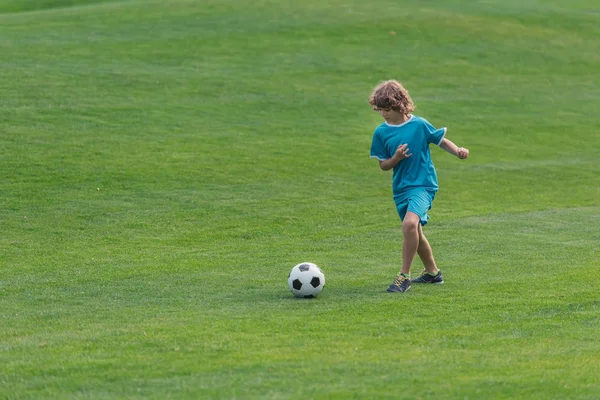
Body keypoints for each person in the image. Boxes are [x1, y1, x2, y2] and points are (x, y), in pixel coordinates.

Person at [368, 80, 469, 293]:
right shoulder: (381, 133)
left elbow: (440, 140)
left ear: (399, 105)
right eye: (380, 110)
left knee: (409, 225)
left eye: (387, 109)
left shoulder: (419, 125)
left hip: (423, 185)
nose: (384, 114)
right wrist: (395, 158)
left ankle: (403, 276)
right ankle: (433, 273)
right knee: (415, 231)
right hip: (401, 189)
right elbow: (383, 166)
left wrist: (457, 150)